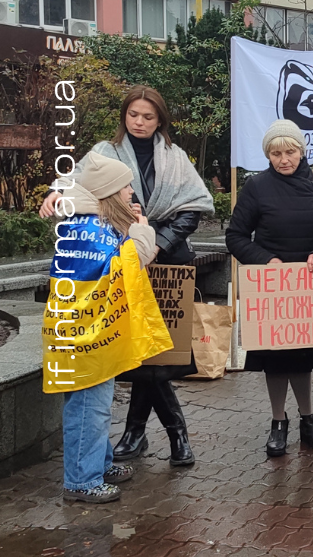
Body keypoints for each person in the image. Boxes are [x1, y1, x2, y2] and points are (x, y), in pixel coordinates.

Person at [41, 86, 213, 468]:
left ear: (160, 120)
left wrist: (157, 245)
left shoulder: (176, 156)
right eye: (133, 114)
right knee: (138, 355)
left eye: (148, 116)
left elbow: (192, 209)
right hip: (118, 259)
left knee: (156, 355)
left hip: (166, 261)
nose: (139, 122)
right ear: (124, 116)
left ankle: (141, 433)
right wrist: (56, 191)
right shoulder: (104, 153)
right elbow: (75, 182)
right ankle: (166, 433)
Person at [225, 120, 313, 457]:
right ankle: (277, 421)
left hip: (311, 284)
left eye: (290, 151)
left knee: (304, 357)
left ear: (302, 150)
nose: (284, 159)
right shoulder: (256, 187)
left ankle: (308, 419)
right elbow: (236, 236)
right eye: (276, 153)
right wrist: (265, 259)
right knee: (275, 359)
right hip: (272, 287)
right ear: (268, 155)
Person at [46, 152, 168, 502]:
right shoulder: (93, 230)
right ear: (109, 193)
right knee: (89, 409)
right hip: (88, 337)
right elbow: (135, 262)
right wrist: (142, 228)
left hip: (87, 333)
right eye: (125, 185)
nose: (131, 191)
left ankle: (99, 463)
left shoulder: (86, 224)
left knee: (94, 406)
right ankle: (82, 481)